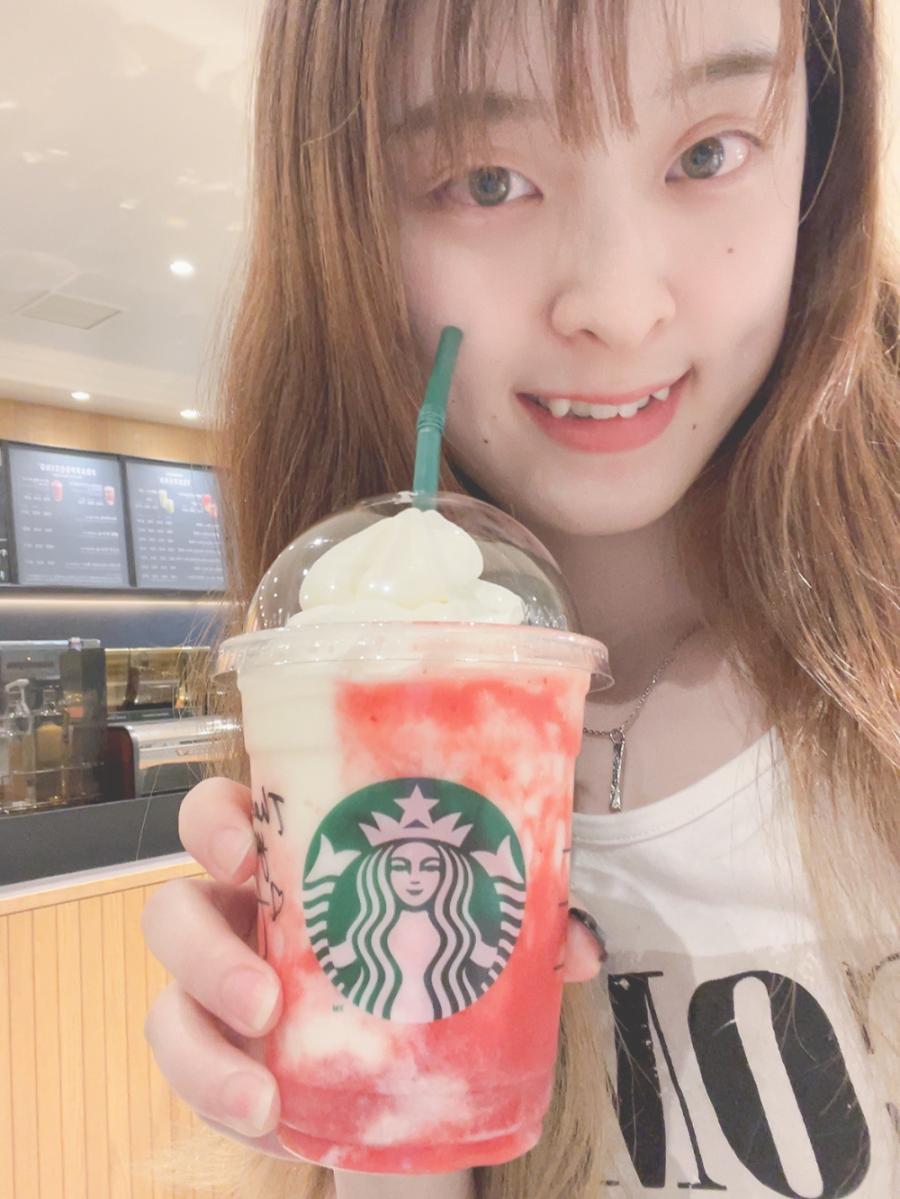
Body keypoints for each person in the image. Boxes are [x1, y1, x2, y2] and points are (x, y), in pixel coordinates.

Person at [141, 0, 899, 1196]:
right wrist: (376, 1125)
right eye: (487, 180)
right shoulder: (352, 710)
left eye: (708, 152)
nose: (618, 304)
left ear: (824, 144)